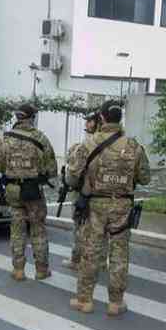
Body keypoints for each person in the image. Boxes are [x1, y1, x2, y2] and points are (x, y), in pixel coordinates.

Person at [67, 100, 150, 316]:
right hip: (122, 205)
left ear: (102, 118)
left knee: (91, 252)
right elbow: (145, 178)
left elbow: (71, 177)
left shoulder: (88, 144)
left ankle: (85, 300)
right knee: (119, 253)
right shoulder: (133, 146)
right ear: (119, 118)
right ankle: (116, 302)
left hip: (95, 205)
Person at [0, 103, 57, 281]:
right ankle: (41, 270)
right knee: (38, 229)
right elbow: (52, 170)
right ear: (32, 118)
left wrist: (9, 168)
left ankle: (18, 269)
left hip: (12, 190)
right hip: (33, 190)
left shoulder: (4, 139)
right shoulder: (41, 138)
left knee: (17, 229)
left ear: (17, 117)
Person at [61, 111, 108, 272]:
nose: (86, 124)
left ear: (97, 122)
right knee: (102, 230)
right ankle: (101, 262)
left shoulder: (86, 144)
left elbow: (73, 175)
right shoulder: (111, 142)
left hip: (84, 193)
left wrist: (69, 180)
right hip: (105, 194)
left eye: (89, 121)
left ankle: (77, 259)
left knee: (81, 228)